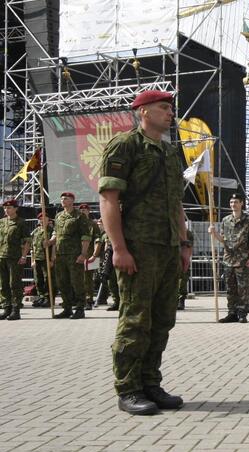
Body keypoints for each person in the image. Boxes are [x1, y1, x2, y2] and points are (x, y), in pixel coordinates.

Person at [99, 89, 191, 415]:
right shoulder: (125, 146)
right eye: (163, 108)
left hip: (166, 248)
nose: (170, 113)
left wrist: (183, 244)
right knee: (136, 320)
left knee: (162, 320)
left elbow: (177, 204)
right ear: (144, 112)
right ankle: (128, 388)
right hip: (137, 247)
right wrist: (119, 248)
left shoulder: (170, 153)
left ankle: (151, 382)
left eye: (170, 108)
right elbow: (109, 200)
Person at [209, 192, 249, 323]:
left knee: (243, 289)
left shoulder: (248, 220)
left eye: (235, 202)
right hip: (229, 260)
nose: (233, 204)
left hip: (243, 260)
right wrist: (214, 233)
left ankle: (242, 313)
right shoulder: (226, 220)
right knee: (230, 289)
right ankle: (232, 312)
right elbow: (223, 240)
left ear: (241, 203)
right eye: (231, 202)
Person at [49, 192, 92, 320]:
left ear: (72, 200)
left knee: (77, 282)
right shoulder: (58, 216)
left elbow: (86, 236)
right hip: (60, 254)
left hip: (74, 254)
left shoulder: (79, 216)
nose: (63, 200)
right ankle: (67, 308)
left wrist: (83, 254)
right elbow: (56, 233)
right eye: (62, 198)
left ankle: (79, 308)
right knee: (62, 282)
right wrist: (50, 242)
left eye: (66, 198)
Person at [0, 199, 31, 321]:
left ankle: (15, 309)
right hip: (2, 256)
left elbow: (27, 241)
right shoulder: (2, 222)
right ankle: (6, 307)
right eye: (5, 208)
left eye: (9, 208)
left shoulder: (21, 223)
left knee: (15, 284)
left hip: (15, 258)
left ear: (16, 209)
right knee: (3, 284)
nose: (7, 210)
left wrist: (24, 256)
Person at [30, 213, 53, 308]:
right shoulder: (35, 231)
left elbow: (54, 246)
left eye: (44, 218)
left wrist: (52, 259)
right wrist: (33, 260)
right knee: (38, 279)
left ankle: (48, 298)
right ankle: (41, 297)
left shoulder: (51, 231)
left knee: (47, 278)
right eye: (40, 219)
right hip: (37, 259)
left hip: (46, 258)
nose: (42, 220)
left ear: (48, 220)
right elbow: (32, 247)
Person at [79, 203, 100, 309]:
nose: (83, 211)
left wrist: (95, 255)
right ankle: (79, 300)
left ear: (88, 211)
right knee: (78, 278)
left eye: (85, 209)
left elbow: (97, 240)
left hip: (89, 255)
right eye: (81, 209)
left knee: (88, 279)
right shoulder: (76, 223)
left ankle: (89, 300)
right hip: (77, 255)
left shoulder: (93, 224)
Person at [177, 227, 194, 310]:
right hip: (171, 259)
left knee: (182, 281)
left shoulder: (188, 233)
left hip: (181, 260)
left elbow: (189, 248)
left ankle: (181, 300)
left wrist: (186, 259)